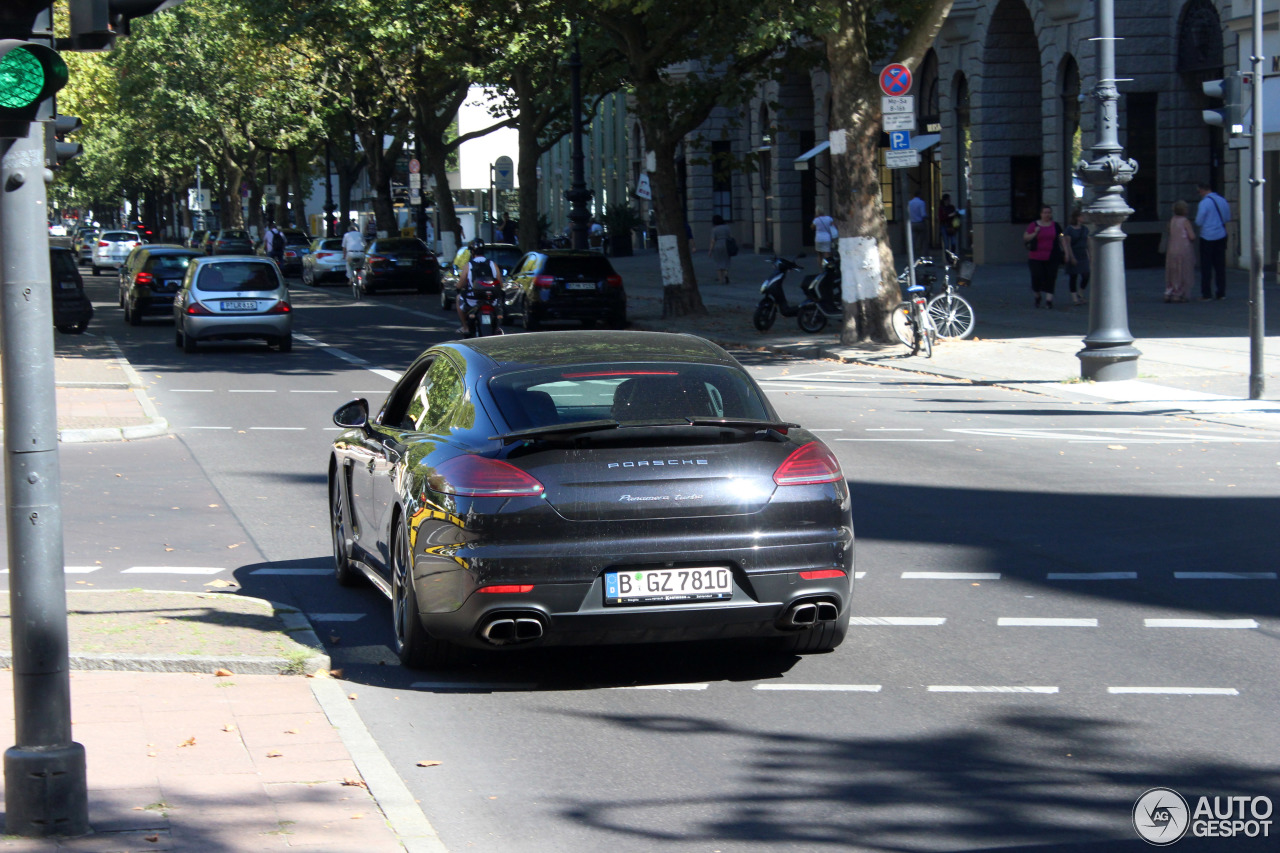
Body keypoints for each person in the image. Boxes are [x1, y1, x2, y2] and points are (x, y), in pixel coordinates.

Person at [1023, 205, 1068, 309]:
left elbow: (1061, 237)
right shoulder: (1034, 225)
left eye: (1049, 212)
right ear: (1041, 214)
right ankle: (1037, 296)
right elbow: (1025, 237)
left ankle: (1049, 300)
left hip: (1052, 256)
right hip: (1036, 257)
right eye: (1045, 212)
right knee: (1036, 277)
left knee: (1051, 277)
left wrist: (1066, 252)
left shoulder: (1056, 226)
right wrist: (1035, 233)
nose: (1047, 215)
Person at [456, 238, 503, 334]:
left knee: (458, 298)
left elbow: (460, 284)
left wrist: (458, 288)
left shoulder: (468, 265)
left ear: (472, 252)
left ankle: (465, 327)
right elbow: (500, 284)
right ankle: (497, 327)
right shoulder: (493, 264)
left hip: (472, 301)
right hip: (492, 300)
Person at [1194, 183, 1229, 301]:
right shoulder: (1222, 200)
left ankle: (1206, 293)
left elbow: (1199, 221)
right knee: (1220, 266)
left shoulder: (1204, 203)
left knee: (1206, 266)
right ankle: (1221, 292)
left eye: (1198, 192)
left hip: (1207, 236)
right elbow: (1227, 217)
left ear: (1202, 190)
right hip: (1221, 235)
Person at [1164, 200, 1196, 303]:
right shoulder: (1185, 221)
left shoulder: (1172, 220)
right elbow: (1191, 236)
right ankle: (1179, 292)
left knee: (1172, 270)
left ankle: (1169, 291)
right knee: (1182, 270)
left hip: (1172, 248)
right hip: (1184, 248)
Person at [1062, 209, 1091, 305]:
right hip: (1074, 253)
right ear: (1077, 217)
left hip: (1083, 253)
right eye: (1082, 216)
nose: (1084, 218)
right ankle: (1075, 298)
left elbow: (1088, 243)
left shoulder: (1085, 229)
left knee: (1086, 275)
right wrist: (1071, 256)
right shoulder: (1069, 230)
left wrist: (1090, 255)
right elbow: (1068, 244)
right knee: (1073, 276)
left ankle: (1080, 293)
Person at [708, 214, 733, 285]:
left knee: (718, 262)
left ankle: (720, 280)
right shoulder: (727, 227)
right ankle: (726, 275)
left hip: (717, 245)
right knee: (726, 261)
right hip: (726, 245)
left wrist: (710, 250)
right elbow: (731, 236)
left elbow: (713, 241)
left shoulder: (714, 229)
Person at [908, 189, 928, 255]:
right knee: (923, 240)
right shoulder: (921, 203)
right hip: (920, 222)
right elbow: (923, 214)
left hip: (912, 223)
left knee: (913, 240)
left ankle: (912, 254)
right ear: (919, 195)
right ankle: (923, 254)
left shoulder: (910, 203)